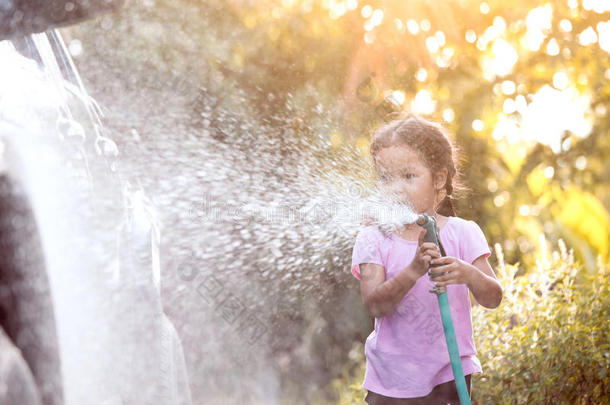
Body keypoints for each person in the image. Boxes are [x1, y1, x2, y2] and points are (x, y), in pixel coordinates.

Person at [351, 116, 503, 404]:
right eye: (385, 178)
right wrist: (414, 269)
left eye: (408, 176)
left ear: (439, 179)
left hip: (450, 376)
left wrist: (468, 273)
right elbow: (375, 305)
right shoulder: (373, 239)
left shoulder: (463, 233)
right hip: (391, 384)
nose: (395, 188)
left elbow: (493, 297)